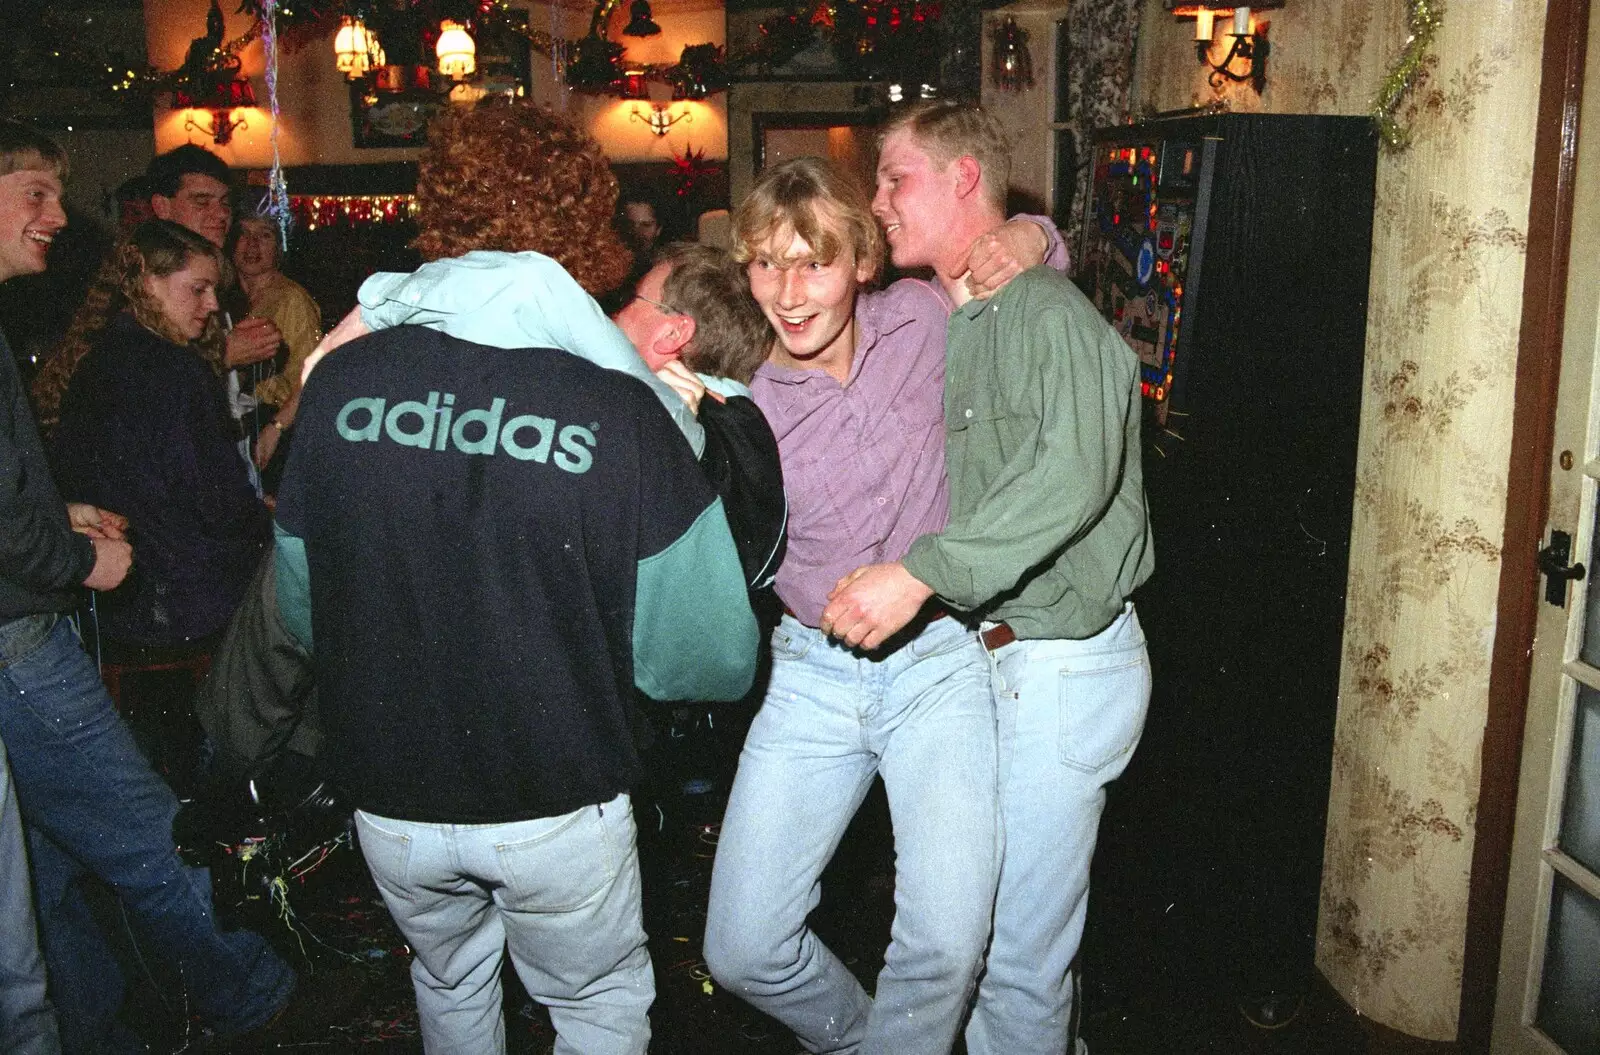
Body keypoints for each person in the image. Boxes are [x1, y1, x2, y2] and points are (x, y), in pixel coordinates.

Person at [270, 100, 760, 1055]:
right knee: (596, 1010)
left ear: (439, 208)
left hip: (389, 792)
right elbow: (707, 658)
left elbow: (302, 608)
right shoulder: (619, 408)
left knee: (449, 980)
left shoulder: (336, 385)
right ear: (585, 225)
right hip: (555, 789)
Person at [700, 154, 1066, 1055]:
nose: (788, 291)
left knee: (945, 941)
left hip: (940, 667)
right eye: (766, 263)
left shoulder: (922, 316)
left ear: (862, 261)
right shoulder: (738, 399)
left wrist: (1027, 231)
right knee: (741, 946)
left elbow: (1045, 262)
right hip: (811, 679)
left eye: (813, 261)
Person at [820, 101, 1155, 1055]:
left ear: (964, 176)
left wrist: (917, 575)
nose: (879, 200)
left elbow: (1069, 478)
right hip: (1001, 661)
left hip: (1063, 666)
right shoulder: (958, 312)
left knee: (1020, 959)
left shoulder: (1046, 312)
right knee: (1005, 935)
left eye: (897, 178)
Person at [0, 118, 299, 1055]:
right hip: (87, 614)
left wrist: (64, 516)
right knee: (145, 825)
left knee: (46, 860)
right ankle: (260, 992)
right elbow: (212, 510)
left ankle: (94, 1021)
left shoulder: (109, 356)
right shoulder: (166, 370)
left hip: (89, 598)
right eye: (35, 193)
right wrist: (73, 553)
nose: (58, 212)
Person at [51, 219, 270, 654]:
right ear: (149, 284)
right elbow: (214, 500)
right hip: (182, 600)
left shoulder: (98, 355)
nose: (211, 304)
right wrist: (270, 522)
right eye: (198, 289)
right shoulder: (178, 369)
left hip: (115, 599)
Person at [30, 144, 278, 435]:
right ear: (162, 207)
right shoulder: (137, 275)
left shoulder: (219, 279)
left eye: (225, 203)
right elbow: (126, 388)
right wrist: (223, 356)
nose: (220, 214)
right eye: (202, 202)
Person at [228, 196, 322, 478]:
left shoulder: (292, 299)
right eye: (244, 233)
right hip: (238, 425)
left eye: (264, 235)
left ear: (279, 246)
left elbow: (313, 378)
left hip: (274, 429)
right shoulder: (223, 295)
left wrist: (276, 429)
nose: (252, 245)